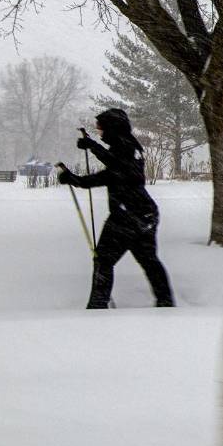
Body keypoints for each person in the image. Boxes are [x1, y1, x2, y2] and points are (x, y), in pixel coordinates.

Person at [56, 108, 175, 308]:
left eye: (101, 128)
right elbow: (115, 171)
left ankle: (97, 306)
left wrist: (89, 154)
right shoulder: (129, 146)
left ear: (112, 127)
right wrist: (78, 176)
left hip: (128, 215)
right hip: (145, 214)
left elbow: (117, 170)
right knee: (149, 261)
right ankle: (166, 302)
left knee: (104, 260)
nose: (100, 132)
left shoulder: (125, 147)